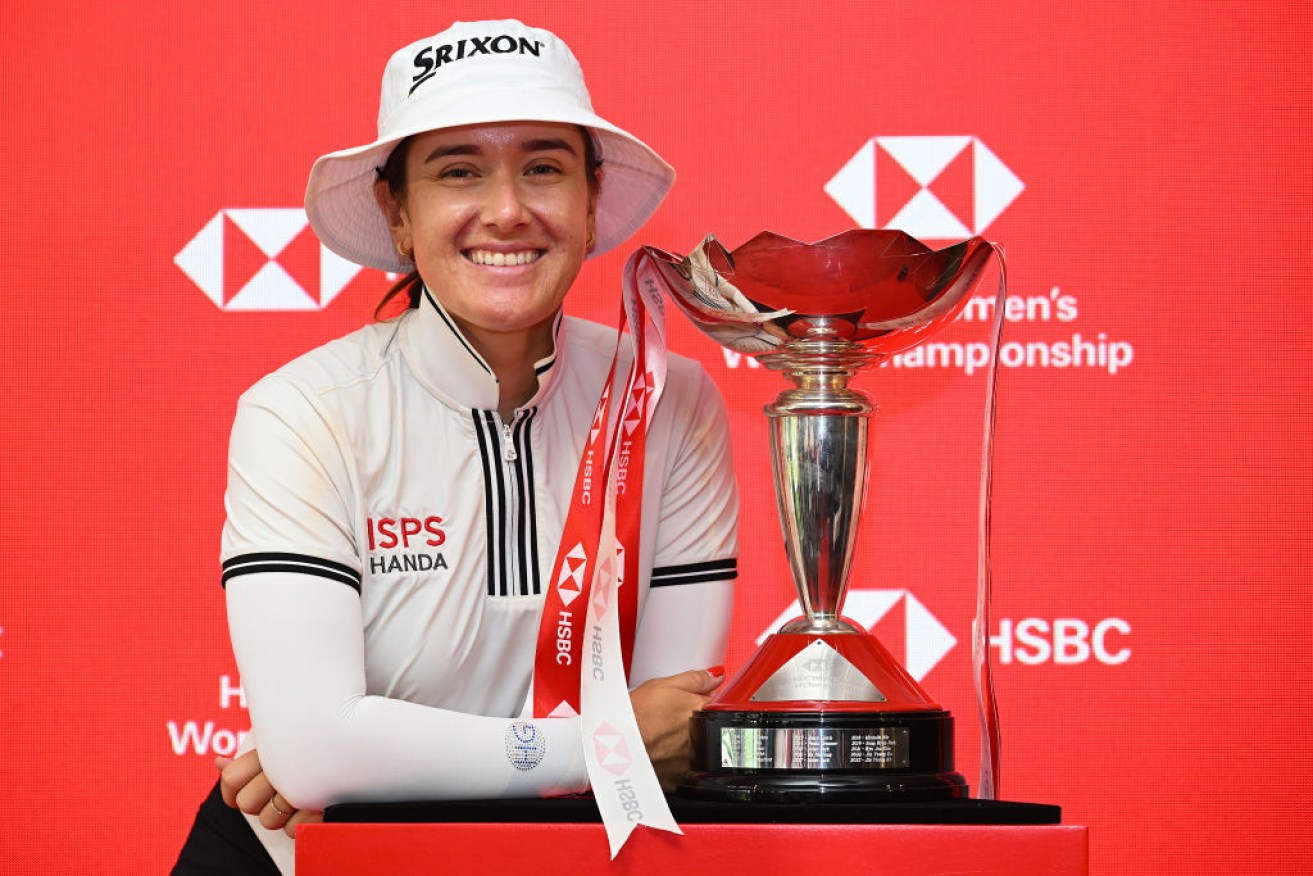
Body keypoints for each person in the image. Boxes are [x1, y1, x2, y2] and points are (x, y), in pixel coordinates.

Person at [172, 19, 738, 875]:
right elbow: (319, 756)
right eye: (458, 171)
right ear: (399, 214)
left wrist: (380, 761)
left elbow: (667, 736)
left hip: (556, 860)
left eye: (543, 168)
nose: (507, 210)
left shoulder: (671, 398)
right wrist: (594, 745)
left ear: (590, 206)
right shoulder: (302, 410)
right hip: (310, 859)